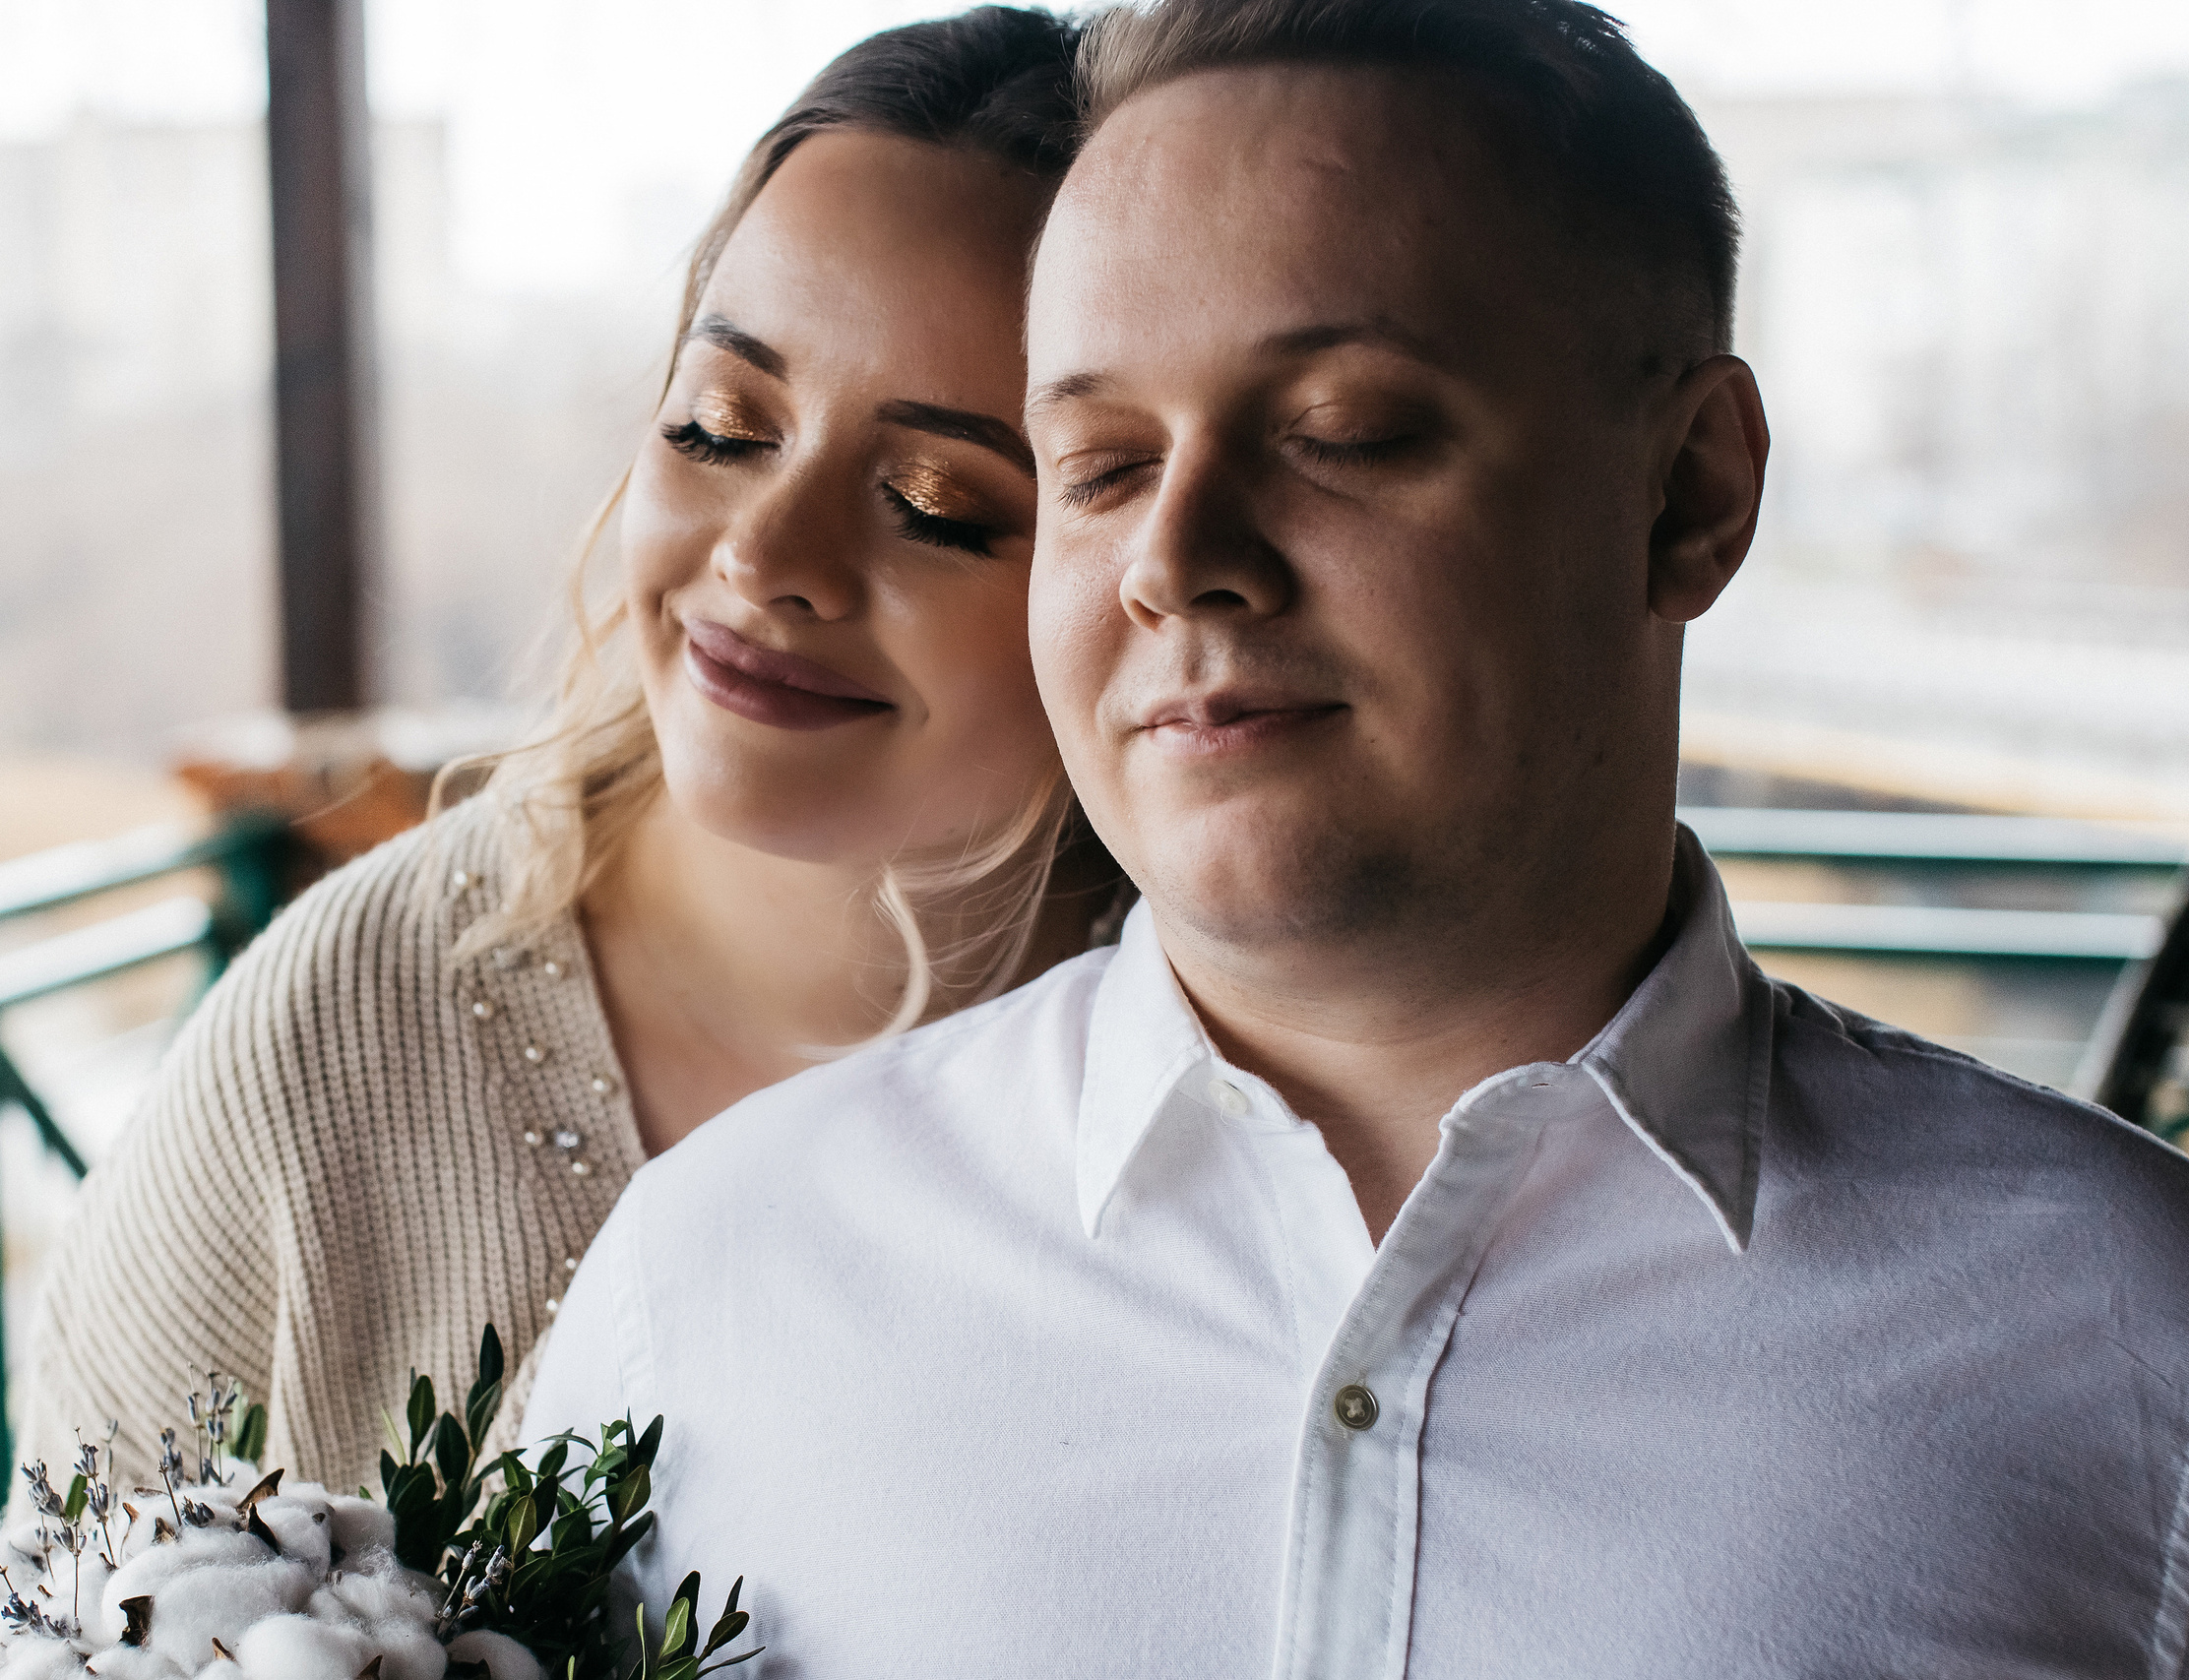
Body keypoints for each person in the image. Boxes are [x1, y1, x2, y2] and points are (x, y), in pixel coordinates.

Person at [522, 0, 2189, 1672]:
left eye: (1342, 435)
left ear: (1689, 495)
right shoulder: (715, 1286)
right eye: (1096, 465)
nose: (1177, 557)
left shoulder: (2135, 1345)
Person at [16, 7, 1117, 1490]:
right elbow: (48, 1622)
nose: (765, 554)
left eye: (934, 501)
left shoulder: (1263, 1072)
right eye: (723, 426)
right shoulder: (331, 1050)